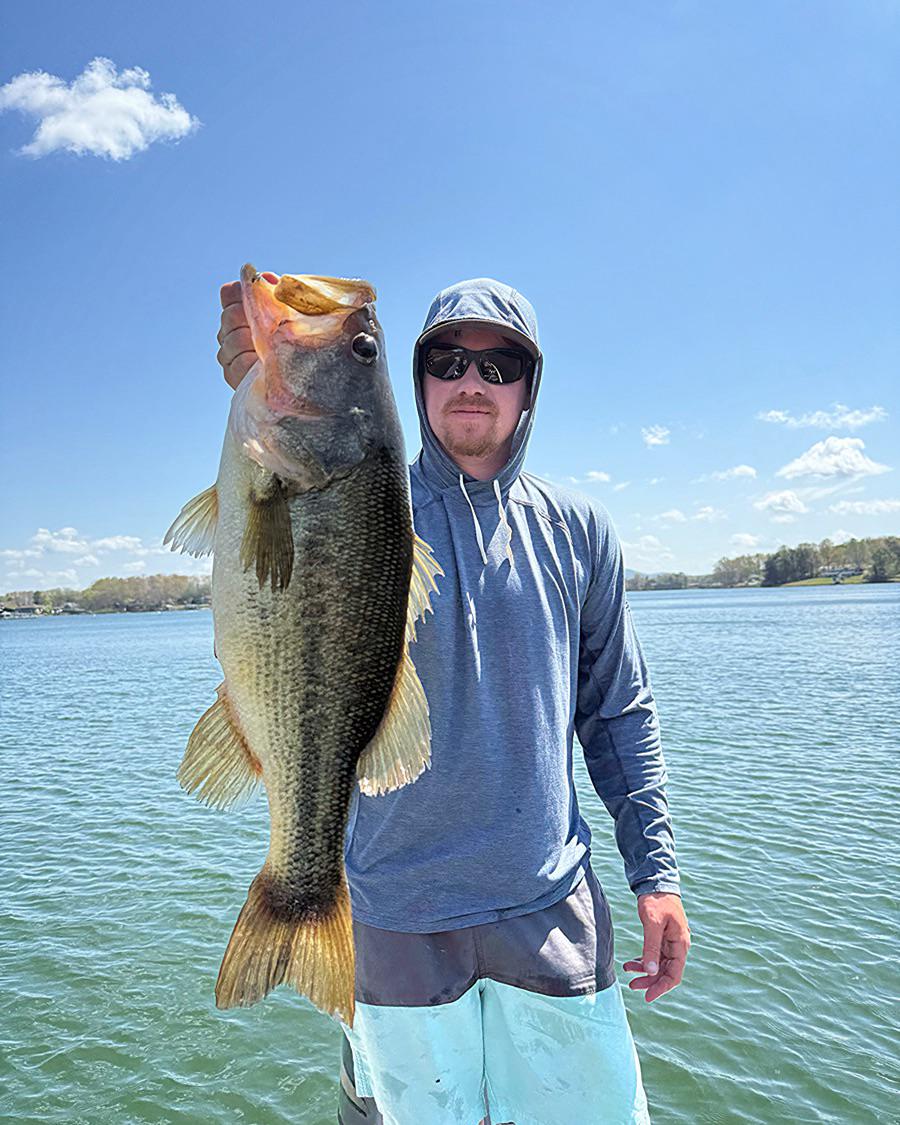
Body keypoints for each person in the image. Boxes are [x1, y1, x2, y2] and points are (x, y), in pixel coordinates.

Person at [216, 274, 691, 1125]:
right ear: (419, 378)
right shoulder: (368, 498)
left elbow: (618, 711)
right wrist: (260, 377)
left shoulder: (580, 527)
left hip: (548, 905)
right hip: (394, 913)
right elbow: (267, 551)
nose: (473, 381)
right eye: (448, 360)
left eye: (500, 365)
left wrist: (655, 873)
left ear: (530, 387)